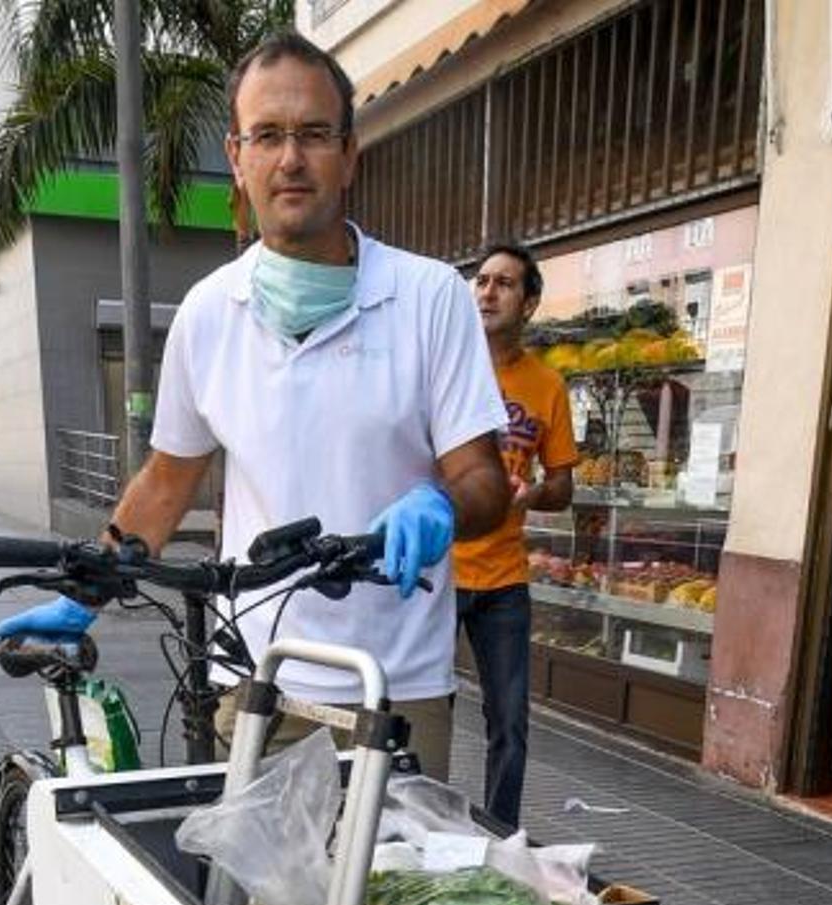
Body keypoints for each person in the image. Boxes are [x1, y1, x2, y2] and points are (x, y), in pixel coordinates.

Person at [71, 30, 509, 779]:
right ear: (237, 159)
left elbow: (485, 481)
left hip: (395, 690)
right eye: (267, 136)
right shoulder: (209, 313)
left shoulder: (431, 296)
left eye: (313, 133)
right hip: (257, 683)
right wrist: (84, 590)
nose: (291, 158)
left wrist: (439, 504)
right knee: (247, 896)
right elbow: (166, 481)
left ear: (349, 154)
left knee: (386, 892)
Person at [453, 243, 578, 827]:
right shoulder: (445, 367)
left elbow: (562, 486)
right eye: (481, 280)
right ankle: (415, 826)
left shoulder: (547, 385)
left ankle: (499, 834)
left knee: (509, 723)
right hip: (436, 571)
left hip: (504, 578)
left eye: (504, 283)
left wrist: (535, 495)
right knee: (416, 704)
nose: (487, 292)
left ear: (528, 304)